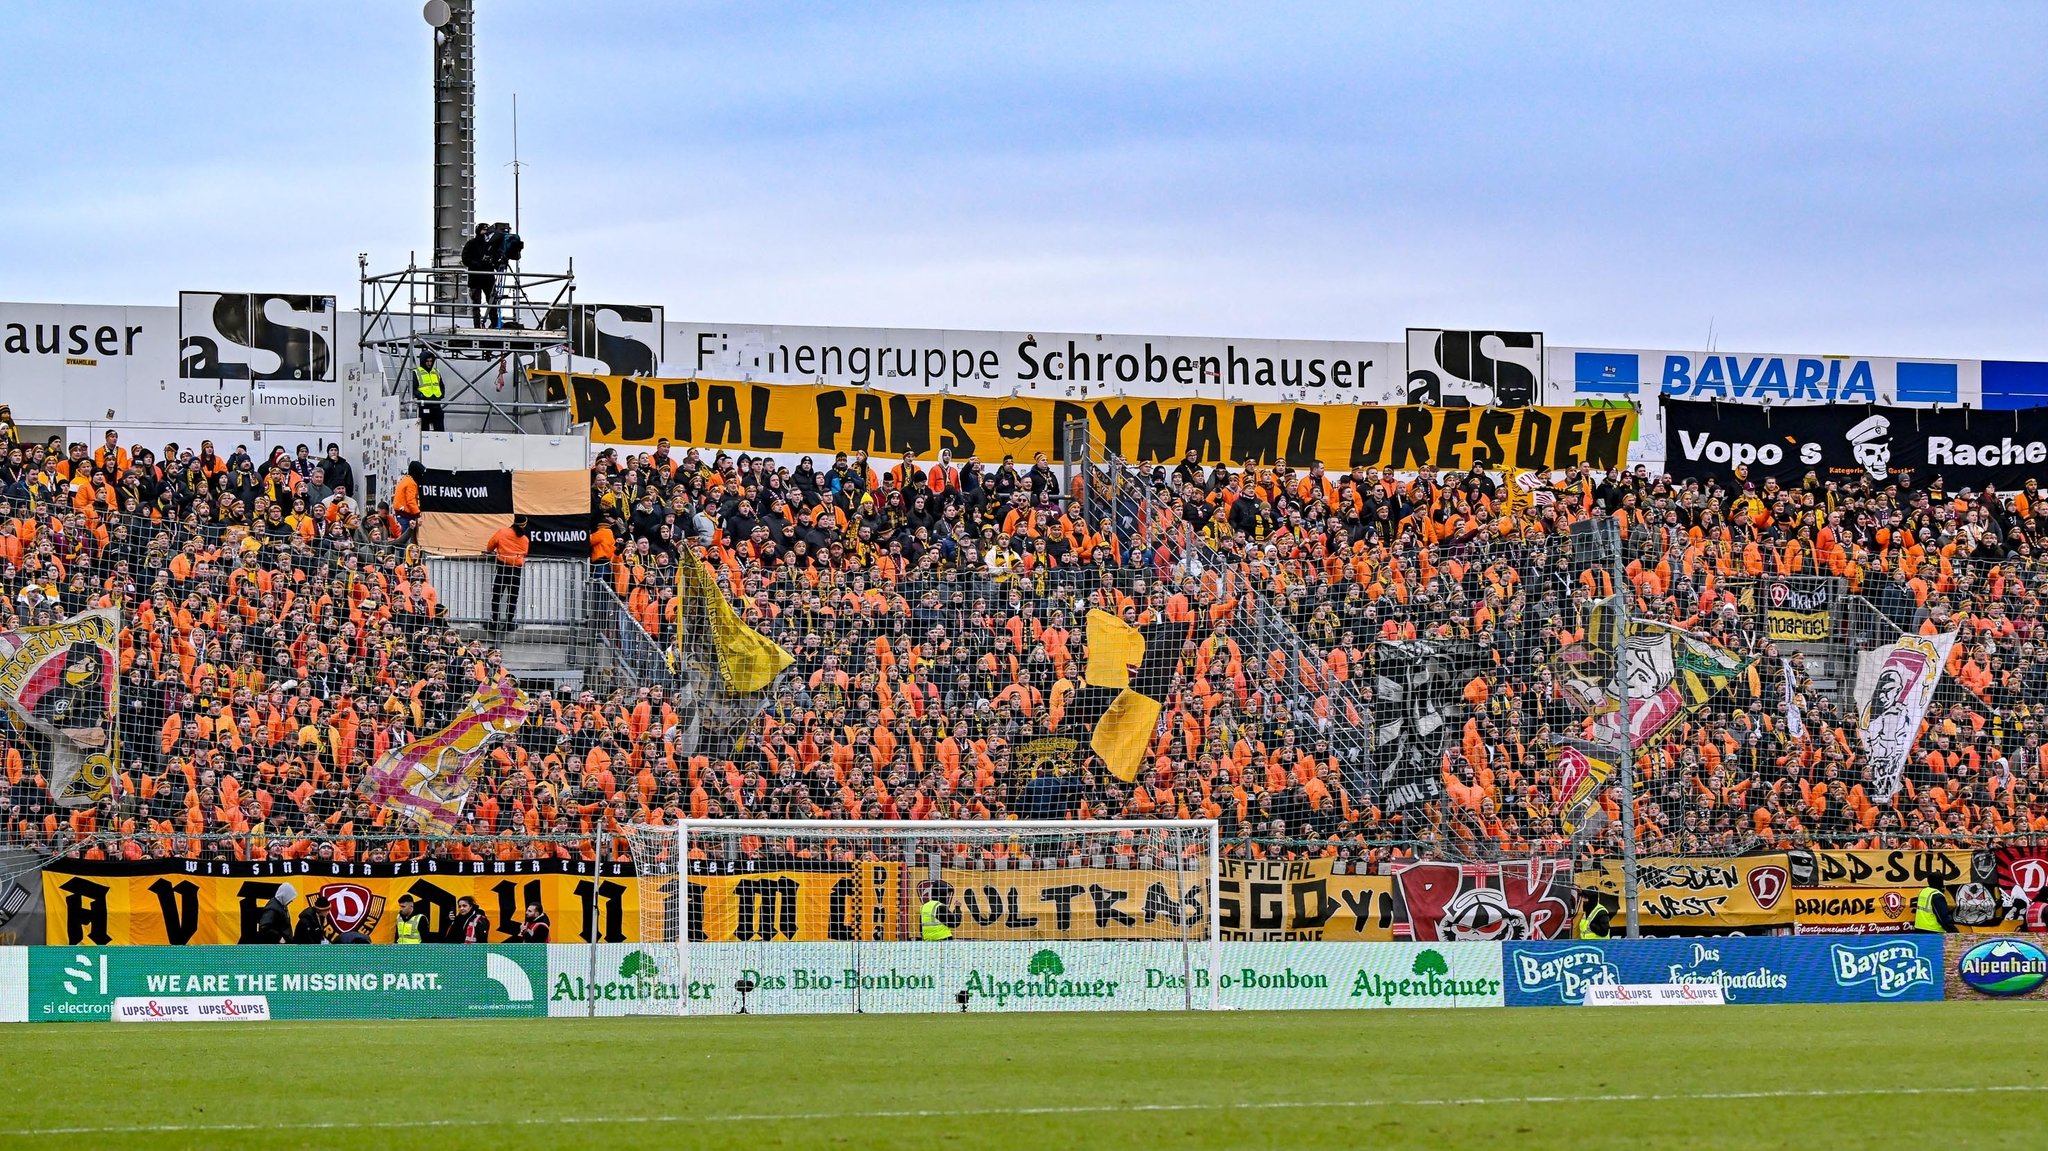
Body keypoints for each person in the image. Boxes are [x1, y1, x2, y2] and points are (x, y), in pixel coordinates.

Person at [482, 514, 531, 631]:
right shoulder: (525, 539)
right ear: (524, 525)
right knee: (513, 597)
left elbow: (490, 546)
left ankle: (495, 622)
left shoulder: (502, 532)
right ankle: (509, 623)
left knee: (497, 596)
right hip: (516, 570)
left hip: (503, 568)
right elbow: (525, 553)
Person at [461, 222, 499, 328]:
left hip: (488, 278)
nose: (485, 232)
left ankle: (494, 324)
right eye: (484, 230)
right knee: (476, 304)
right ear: (478, 231)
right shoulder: (471, 244)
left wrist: (494, 262)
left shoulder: (491, 245)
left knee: (492, 303)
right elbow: (465, 259)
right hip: (476, 278)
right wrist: (478, 264)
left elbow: (496, 259)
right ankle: (477, 325)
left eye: (487, 230)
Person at [413, 352, 445, 431]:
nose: (429, 363)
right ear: (423, 361)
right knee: (424, 431)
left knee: (440, 429)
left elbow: (441, 385)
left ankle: (439, 443)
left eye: (431, 361)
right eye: (427, 361)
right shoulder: (417, 372)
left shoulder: (436, 372)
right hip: (425, 404)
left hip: (436, 404)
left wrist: (441, 394)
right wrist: (420, 395)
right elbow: (412, 388)